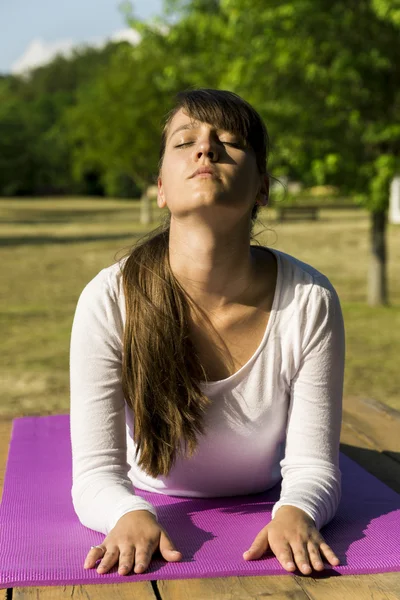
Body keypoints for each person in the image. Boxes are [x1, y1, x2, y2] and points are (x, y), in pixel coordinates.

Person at [69, 88, 344, 578]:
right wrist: (126, 513)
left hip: (264, 497)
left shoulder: (310, 301)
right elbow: (95, 474)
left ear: (261, 187)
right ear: (161, 187)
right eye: (185, 140)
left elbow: (313, 467)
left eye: (231, 140)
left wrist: (296, 510)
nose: (206, 148)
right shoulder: (109, 299)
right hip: (149, 498)